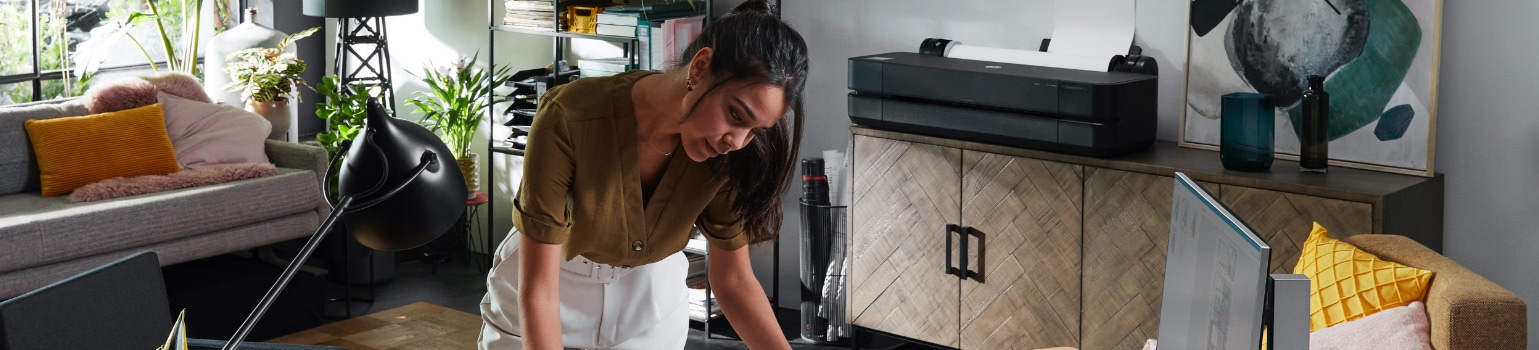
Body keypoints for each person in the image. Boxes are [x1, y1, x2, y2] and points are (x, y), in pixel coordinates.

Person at [478, 1, 809, 349]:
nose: (737, 141)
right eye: (736, 115)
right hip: (549, 290)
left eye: (755, 131)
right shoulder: (569, 116)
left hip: (648, 306)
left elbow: (734, 280)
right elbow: (539, 292)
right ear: (699, 68)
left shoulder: (727, 157)